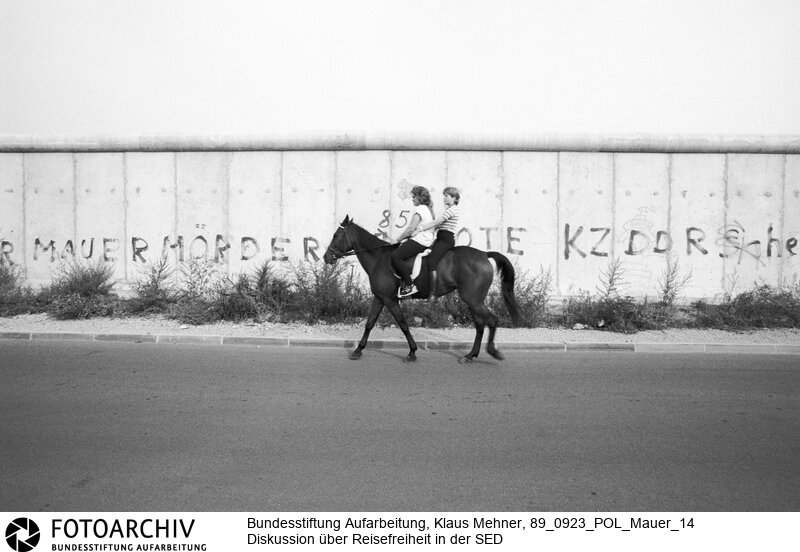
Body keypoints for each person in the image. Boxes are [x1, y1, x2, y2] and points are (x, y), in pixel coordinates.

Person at [412, 186, 460, 302]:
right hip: (440, 238)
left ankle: (433, 294)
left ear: (454, 198)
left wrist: (420, 229)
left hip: (445, 240)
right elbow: (437, 225)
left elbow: (436, 222)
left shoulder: (452, 210)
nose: (444, 198)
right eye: (444, 196)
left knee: (432, 261)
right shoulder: (449, 210)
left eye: (447, 196)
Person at [391, 186, 436, 298]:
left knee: (395, 255)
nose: (412, 199)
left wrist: (397, 240)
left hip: (421, 240)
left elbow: (410, 229)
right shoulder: (426, 208)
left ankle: (409, 285)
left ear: (419, 197)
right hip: (424, 239)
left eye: (414, 197)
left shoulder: (420, 208)